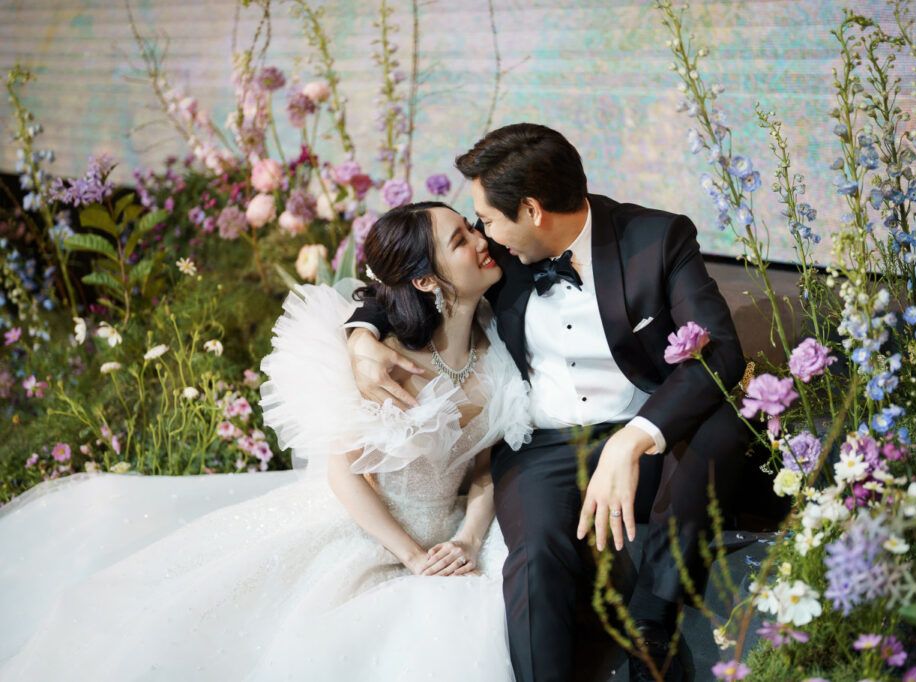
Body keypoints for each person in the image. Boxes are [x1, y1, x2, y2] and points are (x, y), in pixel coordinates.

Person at [0, 201, 533, 681]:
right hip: (372, 532)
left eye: (471, 227)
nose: (480, 239)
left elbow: (484, 464)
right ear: (424, 280)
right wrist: (412, 556)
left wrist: (467, 540)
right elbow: (344, 473)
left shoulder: (498, 346)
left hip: (457, 531)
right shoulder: (383, 362)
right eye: (460, 239)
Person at [345, 123, 756, 682]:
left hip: (639, 430)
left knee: (724, 421)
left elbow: (721, 351)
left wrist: (634, 438)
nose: (482, 235)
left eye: (487, 220)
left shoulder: (656, 239)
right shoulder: (497, 252)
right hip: (541, 445)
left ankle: (650, 624)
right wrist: (362, 335)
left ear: (532, 211)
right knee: (537, 556)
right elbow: (409, 276)